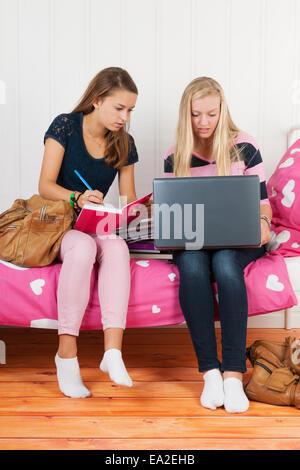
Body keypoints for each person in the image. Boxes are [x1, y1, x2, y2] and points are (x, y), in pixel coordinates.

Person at [164, 77, 272, 413]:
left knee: (226, 264)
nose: (204, 122)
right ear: (187, 115)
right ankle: (211, 372)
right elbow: (173, 212)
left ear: (222, 110)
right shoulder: (175, 156)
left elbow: (263, 204)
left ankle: (233, 375)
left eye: (211, 114)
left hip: (239, 238)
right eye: (196, 115)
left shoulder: (244, 146)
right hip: (195, 240)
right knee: (194, 269)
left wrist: (264, 225)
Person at [39, 67, 141, 398]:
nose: (124, 117)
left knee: (117, 248)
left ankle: (113, 353)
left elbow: (128, 200)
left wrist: (138, 210)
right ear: (97, 101)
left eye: (130, 110)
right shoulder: (65, 126)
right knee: (82, 249)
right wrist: (76, 197)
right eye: (119, 108)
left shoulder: (124, 142)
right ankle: (66, 356)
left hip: (94, 222)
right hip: (59, 221)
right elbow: (44, 186)